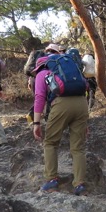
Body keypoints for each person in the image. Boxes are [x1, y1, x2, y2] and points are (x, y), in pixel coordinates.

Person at [32, 46, 89, 195]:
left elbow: (39, 98)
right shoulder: (71, 67)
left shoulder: (42, 72)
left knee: (50, 143)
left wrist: (36, 123)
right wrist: (85, 122)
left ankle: (51, 180)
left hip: (61, 104)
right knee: (78, 147)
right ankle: (80, 184)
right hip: (82, 103)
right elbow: (86, 86)